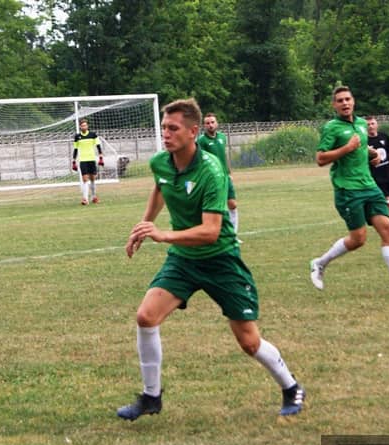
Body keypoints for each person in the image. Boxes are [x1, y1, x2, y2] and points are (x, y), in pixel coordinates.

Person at [116, 98, 305, 421]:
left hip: (220, 261)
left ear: (193, 132)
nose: (166, 134)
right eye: (163, 127)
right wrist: (144, 225)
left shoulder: (211, 171)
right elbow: (160, 187)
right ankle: (150, 397)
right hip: (183, 260)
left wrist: (163, 234)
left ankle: (291, 387)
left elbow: (211, 231)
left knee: (249, 341)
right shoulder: (161, 163)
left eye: (173, 128)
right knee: (146, 317)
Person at [309, 87, 389, 297]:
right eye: (340, 100)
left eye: (347, 99)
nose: (345, 103)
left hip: (370, 186)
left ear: (353, 101)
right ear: (334, 105)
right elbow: (320, 159)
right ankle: (320, 263)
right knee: (358, 239)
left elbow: (361, 147)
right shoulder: (331, 128)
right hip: (347, 189)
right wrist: (347, 148)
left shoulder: (362, 123)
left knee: (388, 229)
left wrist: (371, 154)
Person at [197, 113, 240, 241]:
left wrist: (229, 172)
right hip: (212, 178)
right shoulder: (201, 141)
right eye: (207, 123)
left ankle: (233, 235)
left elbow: (224, 155)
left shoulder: (222, 137)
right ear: (204, 126)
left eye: (212, 122)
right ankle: (211, 232)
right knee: (215, 206)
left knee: (232, 204)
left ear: (217, 123)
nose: (210, 125)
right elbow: (200, 160)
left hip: (225, 176)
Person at [71, 118, 104, 205]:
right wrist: (73, 161)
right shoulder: (77, 137)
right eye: (82, 126)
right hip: (83, 160)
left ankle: (93, 197)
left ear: (87, 126)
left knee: (92, 179)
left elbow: (98, 146)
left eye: (85, 125)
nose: (84, 127)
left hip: (92, 159)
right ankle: (85, 199)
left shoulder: (93, 135)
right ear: (80, 127)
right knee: (85, 179)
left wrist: (101, 157)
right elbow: (75, 149)